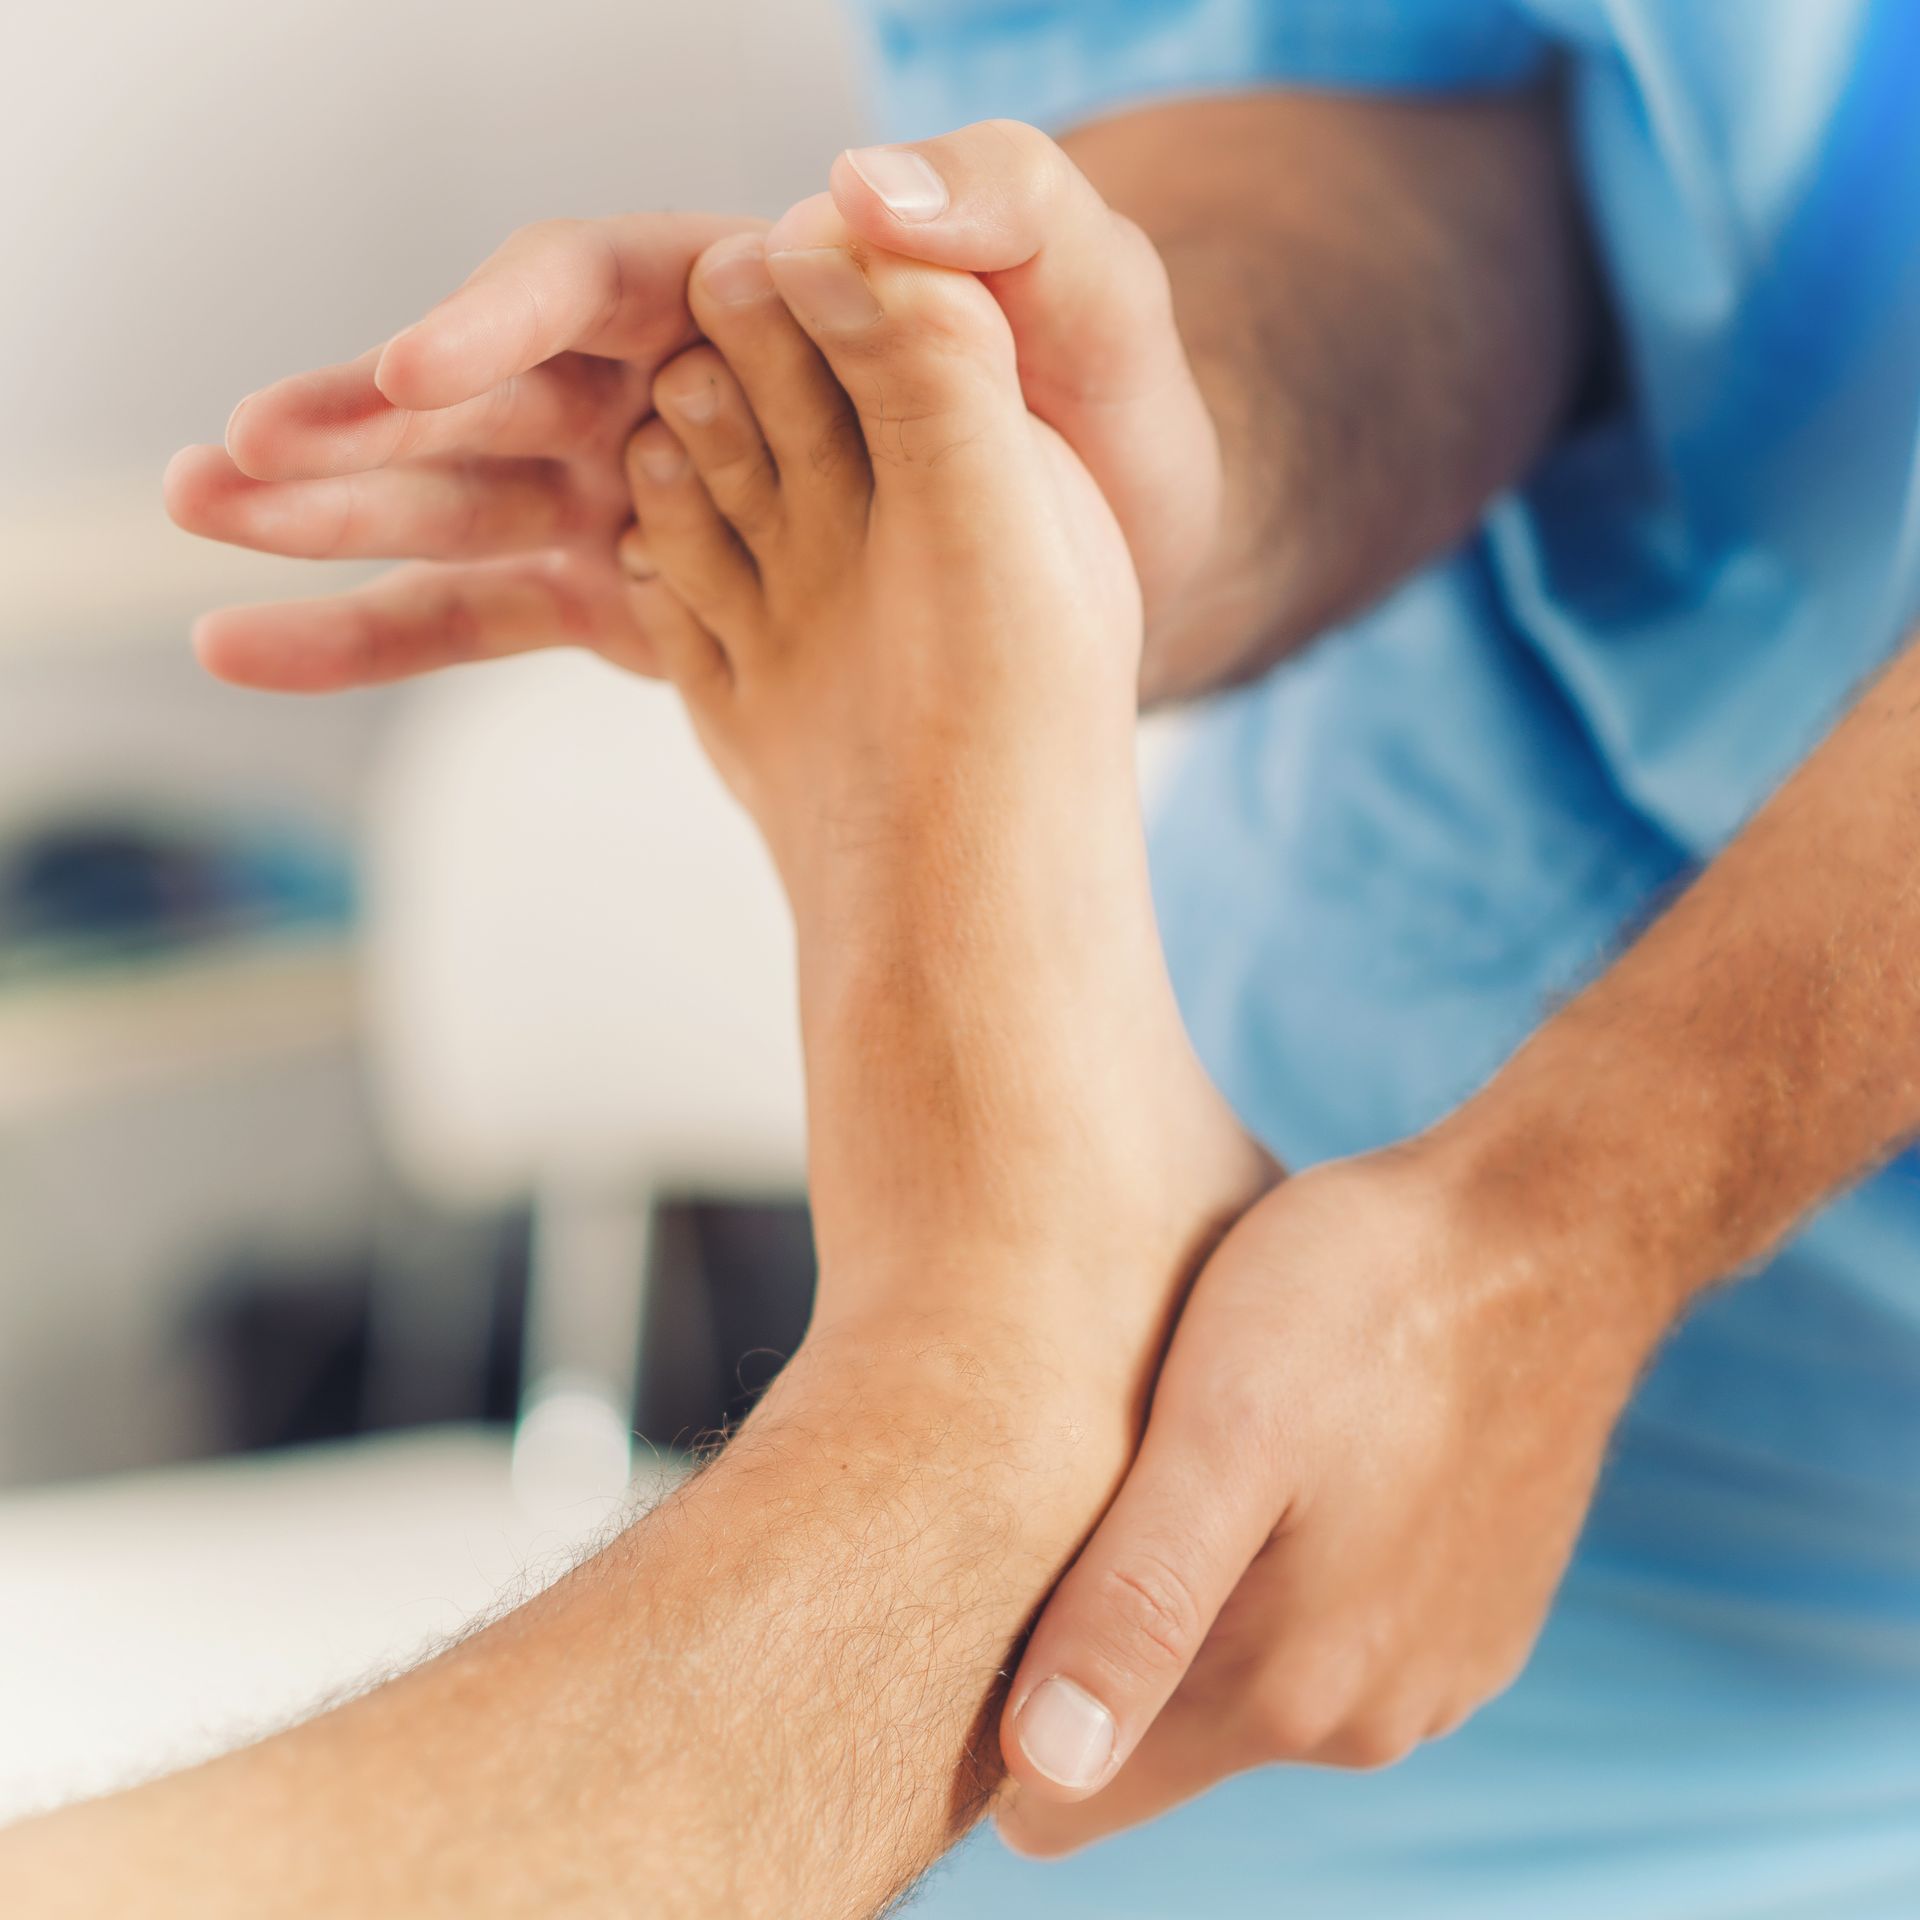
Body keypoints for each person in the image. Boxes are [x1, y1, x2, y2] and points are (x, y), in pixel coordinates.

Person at [29, 1, 1920, 1910]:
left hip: (1669, 1397)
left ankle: (999, 1374)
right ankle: (1008, 1369)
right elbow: (1587, 144)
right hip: (1319, 1336)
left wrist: (1584, 1217)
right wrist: (1155, 439)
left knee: (1012, 1481)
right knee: (1047, 1594)